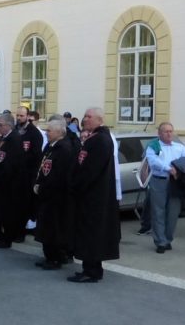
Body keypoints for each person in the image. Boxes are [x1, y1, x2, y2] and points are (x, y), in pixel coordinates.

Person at [68, 107, 120, 282]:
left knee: (91, 233)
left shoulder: (100, 140)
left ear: (99, 119)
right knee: (87, 232)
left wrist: (76, 185)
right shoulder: (94, 138)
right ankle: (89, 267)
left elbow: (90, 170)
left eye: (89, 117)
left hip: (93, 196)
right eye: (85, 116)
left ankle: (91, 271)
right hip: (89, 195)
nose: (85, 119)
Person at [146, 122, 185, 252]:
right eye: (166, 131)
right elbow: (153, 161)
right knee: (158, 212)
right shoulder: (153, 146)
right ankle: (160, 242)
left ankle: (168, 239)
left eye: (171, 131)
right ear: (159, 133)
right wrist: (168, 168)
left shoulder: (179, 147)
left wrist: (179, 169)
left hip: (176, 183)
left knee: (173, 213)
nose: (169, 134)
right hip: (159, 181)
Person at [33, 119, 73, 270]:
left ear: (58, 132)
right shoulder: (51, 147)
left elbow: (58, 175)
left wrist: (42, 187)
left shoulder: (63, 149)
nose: (47, 133)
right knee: (47, 227)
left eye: (49, 130)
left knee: (53, 228)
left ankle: (55, 258)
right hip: (46, 194)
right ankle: (49, 256)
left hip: (55, 196)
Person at [0, 113, 24, 249]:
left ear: (8, 125)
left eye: (0, 125)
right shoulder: (4, 139)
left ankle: (6, 239)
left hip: (7, 183)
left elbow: (11, 164)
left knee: (5, 212)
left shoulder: (15, 139)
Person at [15, 106, 43, 241]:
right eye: (18, 115)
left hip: (27, 176)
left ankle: (21, 233)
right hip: (14, 175)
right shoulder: (15, 130)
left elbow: (36, 156)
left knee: (24, 206)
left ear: (27, 116)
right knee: (14, 205)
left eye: (21, 116)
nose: (19, 118)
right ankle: (14, 231)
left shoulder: (34, 133)